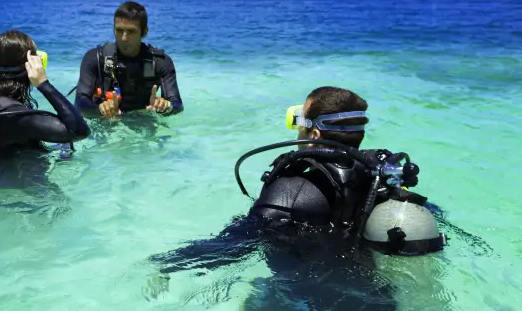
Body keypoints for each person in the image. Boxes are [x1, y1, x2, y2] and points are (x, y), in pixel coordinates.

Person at [145, 86, 448, 310]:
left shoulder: (292, 189)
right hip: (376, 299)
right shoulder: (377, 177)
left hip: (310, 299)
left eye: (301, 116)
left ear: (314, 133)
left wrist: (166, 264)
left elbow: (236, 243)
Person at [0, 30, 91, 155]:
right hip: (17, 179)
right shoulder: (16, 116)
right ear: (31, 64)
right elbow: (79, 131)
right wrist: (43, 84)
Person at [72, 1, 184, 118]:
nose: (124, 38)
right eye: (119, 30)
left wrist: (165, 106)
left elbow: (177, 104)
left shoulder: (160, 62)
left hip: (144, 119)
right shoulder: (96, 58)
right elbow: (79, 104)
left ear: (144, 32)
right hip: (106, 122)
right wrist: (100, 110)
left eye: (131, 31)